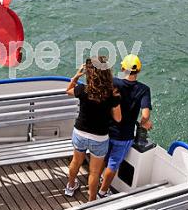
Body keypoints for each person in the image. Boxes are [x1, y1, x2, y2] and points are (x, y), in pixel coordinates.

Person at [65, 56, 122, 201]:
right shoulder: (112, 94)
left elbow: (68, 90)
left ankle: (70, 186)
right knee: (95, 172)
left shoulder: (83, 90)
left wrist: (77, 75)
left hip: (80, 133)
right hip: (99, 137)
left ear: (89, 73)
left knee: (75, 162)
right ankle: (91, 200)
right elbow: (118, 118)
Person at [98, 54, 153, 198]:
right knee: (113, 164)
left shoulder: (113, 83)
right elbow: (145, 115)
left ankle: (95, 181)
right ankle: (102, 192)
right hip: (124, 136)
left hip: (106, 131)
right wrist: (144, 123)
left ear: (123, 68)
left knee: (102, 158)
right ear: (139, 71)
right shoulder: (144, 89)